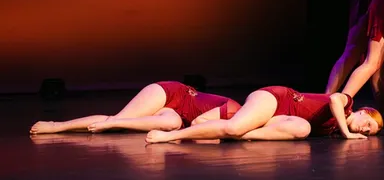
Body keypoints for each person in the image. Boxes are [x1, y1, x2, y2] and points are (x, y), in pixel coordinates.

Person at [144, 87, 382, 142]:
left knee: (303, 129)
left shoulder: (329, 129)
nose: (365, 129)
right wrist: (347, 134)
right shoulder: (347, 103)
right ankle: (170, 137)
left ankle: (234, 133)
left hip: (284, 117)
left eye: (368, 132)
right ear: (363, 111)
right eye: (368, 124)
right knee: (235, 127)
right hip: (276, 99)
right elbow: (332, 99)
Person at [29, 81, 241, 134]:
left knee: (173, 123)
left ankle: (118, 123)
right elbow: (197, 124)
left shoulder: (243, 117)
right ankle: (56, 126)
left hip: (178, 113)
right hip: (171, 93)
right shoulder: (234, 110)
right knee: (114, 120)